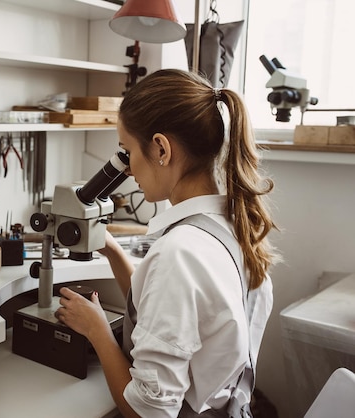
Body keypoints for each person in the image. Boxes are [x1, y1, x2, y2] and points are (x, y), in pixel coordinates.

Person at [54, 69, 279, 418]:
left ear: (160, 148)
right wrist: (113, 251)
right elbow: (171, 312)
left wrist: (97, 330)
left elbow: (149, 413)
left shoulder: (179, 252)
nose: (126, 169)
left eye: (127, 150)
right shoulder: (233, 225)